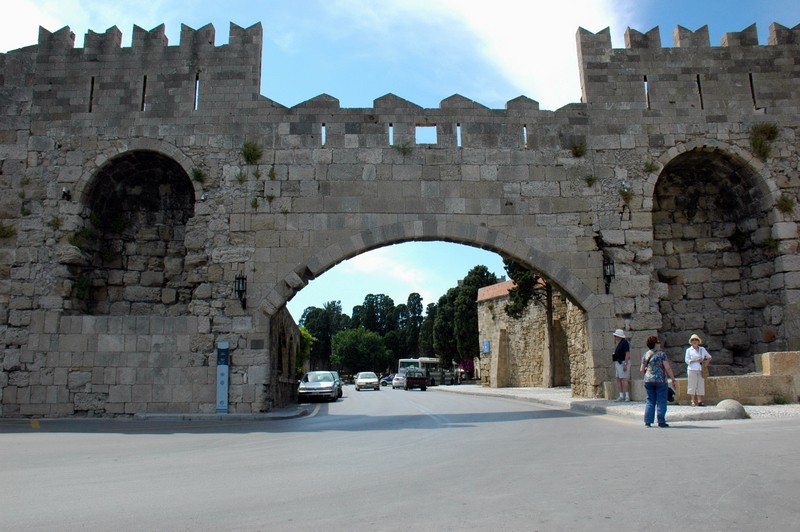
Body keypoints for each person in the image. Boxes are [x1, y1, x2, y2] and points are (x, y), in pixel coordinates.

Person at [640, 336, 677, 428]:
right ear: (655, 344)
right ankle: (661, 421)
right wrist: (673, 379)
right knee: (661, 400)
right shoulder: (661, 354)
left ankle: (648, 421)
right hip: (660, 379)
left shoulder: (646, 354)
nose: (660, 344)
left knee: (650, 400)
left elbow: (641, 369)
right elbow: (667, 367)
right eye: (658, 342)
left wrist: (648, 375)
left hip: (648, 380)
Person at [685, 333, 712, 406]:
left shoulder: (702, 349)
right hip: (692, 369)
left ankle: (700, 401)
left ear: (698, 341)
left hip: (700, 369)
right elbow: (687, 360)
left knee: (700, 384)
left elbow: (709, 357)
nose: (694, 341)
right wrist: (696, 360)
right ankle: (692, 400)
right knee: (692, 384)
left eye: (696, 340)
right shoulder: (688, 350)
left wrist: (706, 364)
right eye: (693, 340)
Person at [612, 329, 631, 401]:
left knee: (624, 379)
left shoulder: (625, 343)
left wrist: (625, 364)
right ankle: (621, 395)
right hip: (618, 363)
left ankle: (627, 396)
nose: (615, 337)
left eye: (616, 336)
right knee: (618, 379)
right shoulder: (619, 343)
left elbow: (627, 354)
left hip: (623, 363)